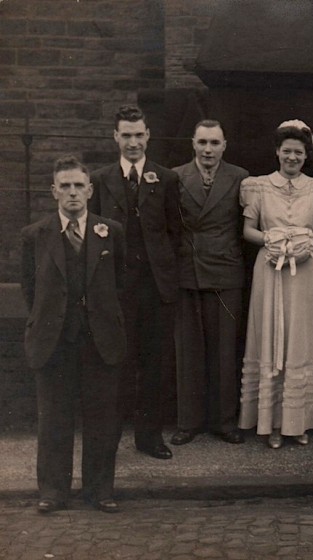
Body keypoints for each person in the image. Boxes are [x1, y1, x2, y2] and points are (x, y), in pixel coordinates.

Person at [21, 156, 126, 514]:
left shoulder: (111, 231)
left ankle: (100, 490)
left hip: (100, 341)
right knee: (54, 419)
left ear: (90, 190)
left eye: (78, 185)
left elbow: (122, 285)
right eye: (64, 186)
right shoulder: (36, 235)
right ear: (54, 192)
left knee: (102, 420)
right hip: (55, 342)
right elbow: (31, 289)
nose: (72, 192)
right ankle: (53, 491)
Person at [238, 120, 313, 449]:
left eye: (298, 152)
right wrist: (271, 239)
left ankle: (299, 421)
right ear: (277, 152)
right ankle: (273, 423)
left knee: (301, 338)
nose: (292, 157)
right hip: (271, 269)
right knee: (273, 336)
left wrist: (308, 241)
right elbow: (248, 230)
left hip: (305, 271)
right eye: (286, 151)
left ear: (306, 155)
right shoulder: (259, 187)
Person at [89, 104, 182, 460]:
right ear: (115, 137)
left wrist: (165, 276)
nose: (133, 142)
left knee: (155, 365)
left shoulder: (166, 179)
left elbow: (175, 234)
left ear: (148, 136)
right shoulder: (100, 180)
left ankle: (149, 437)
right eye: (125, 135)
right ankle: (109, 438)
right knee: (116, 363)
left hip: (156, 289)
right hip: (116, 290)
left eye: (138, 134)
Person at [170, 120, 249, 447]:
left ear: (224, 145)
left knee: (224, 350)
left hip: (225, 269)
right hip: (188, 270)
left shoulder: (240, 177)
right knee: (188, 351)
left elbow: (247, 226)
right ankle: (188, 422)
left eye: (214, 143)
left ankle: (224, 422)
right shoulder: (175, 177)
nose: (207, 150)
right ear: (193, 143)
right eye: (202, 142)